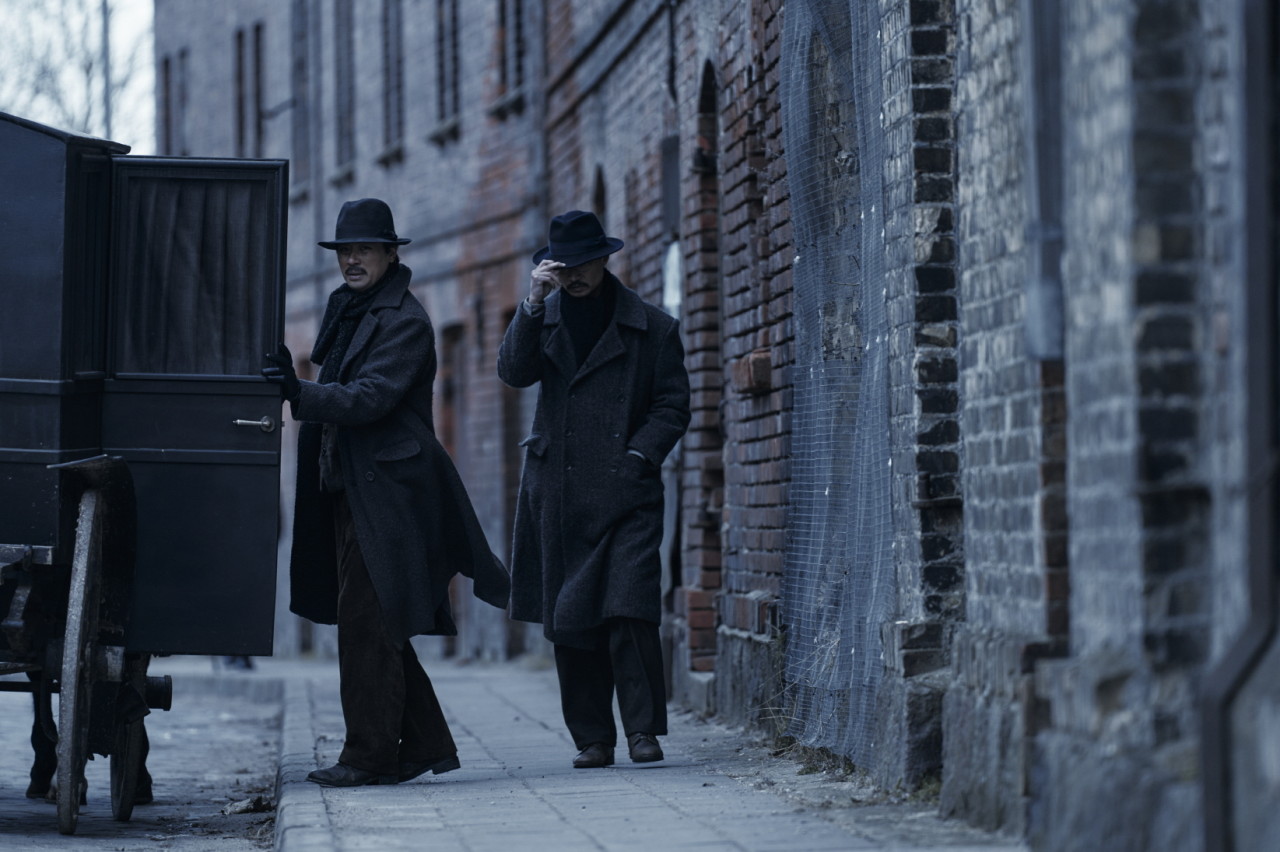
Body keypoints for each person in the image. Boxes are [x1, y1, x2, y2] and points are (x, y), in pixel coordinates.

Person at [263, 198, 509, 787]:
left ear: (390, 254)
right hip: (351, 487)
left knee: (367, 623)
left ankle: (368, 757)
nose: (352, 260)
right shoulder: (348, 308)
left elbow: (370, 397)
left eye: (365, 250)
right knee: (378, 622)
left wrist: (299, 392)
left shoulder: (405, 321)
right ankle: (425, 745)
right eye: (345, 251)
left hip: (392, 495)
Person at [497, 209, 691, 768]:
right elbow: (513, 372)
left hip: (627, 493)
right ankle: (592, 739)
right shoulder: (545, 317)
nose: (574, 275)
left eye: (584, 264)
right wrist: (532, 303)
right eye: (564, 267)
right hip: (560, 493)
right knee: (572, 616)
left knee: (630, 607)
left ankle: (642, 731)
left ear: (605, 259)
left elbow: (672, 405)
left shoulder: (652, 327)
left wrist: (638, 455)